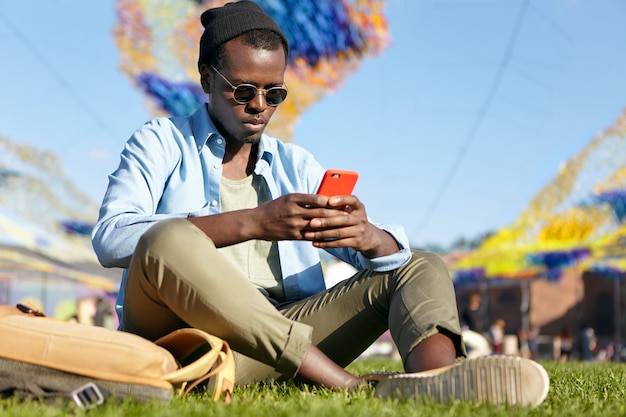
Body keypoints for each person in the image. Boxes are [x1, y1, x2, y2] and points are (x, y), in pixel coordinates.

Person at [92, 1, 548, 406]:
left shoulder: (295, 164)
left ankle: (436, 384)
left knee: (418, 263)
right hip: (189, 348)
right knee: (169, 238)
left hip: (282, 346)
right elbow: (112, 239)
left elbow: (383, 258)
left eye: (275, 94)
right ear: (208, 80)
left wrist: (369, 238)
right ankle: (351, 387)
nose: (260, 106)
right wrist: (254, 222)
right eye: (245, 90)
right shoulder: (161, 142)